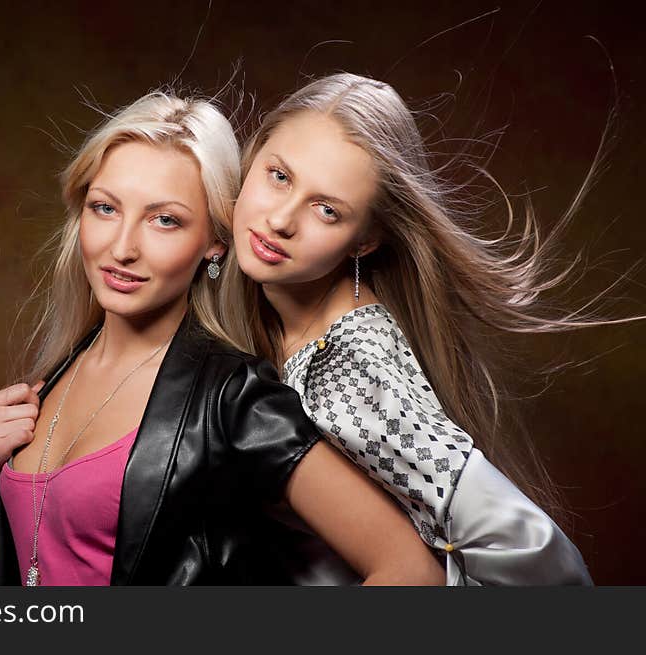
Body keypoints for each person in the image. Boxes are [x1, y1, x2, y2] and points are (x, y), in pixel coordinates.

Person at [0, 90, 444, 585]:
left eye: (164, 220)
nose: (122, 247)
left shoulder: (235, 400)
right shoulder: (57, 376)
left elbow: (412, 570)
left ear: (216, 241)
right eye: (105, 208)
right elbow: (64, 557)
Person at [229, 72, 612, 585]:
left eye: (327, 210)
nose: (280, 219)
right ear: (253, 156)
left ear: (365, 240)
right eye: (279, 176)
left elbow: (549, 570)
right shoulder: (270, 312)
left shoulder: (345, 372)